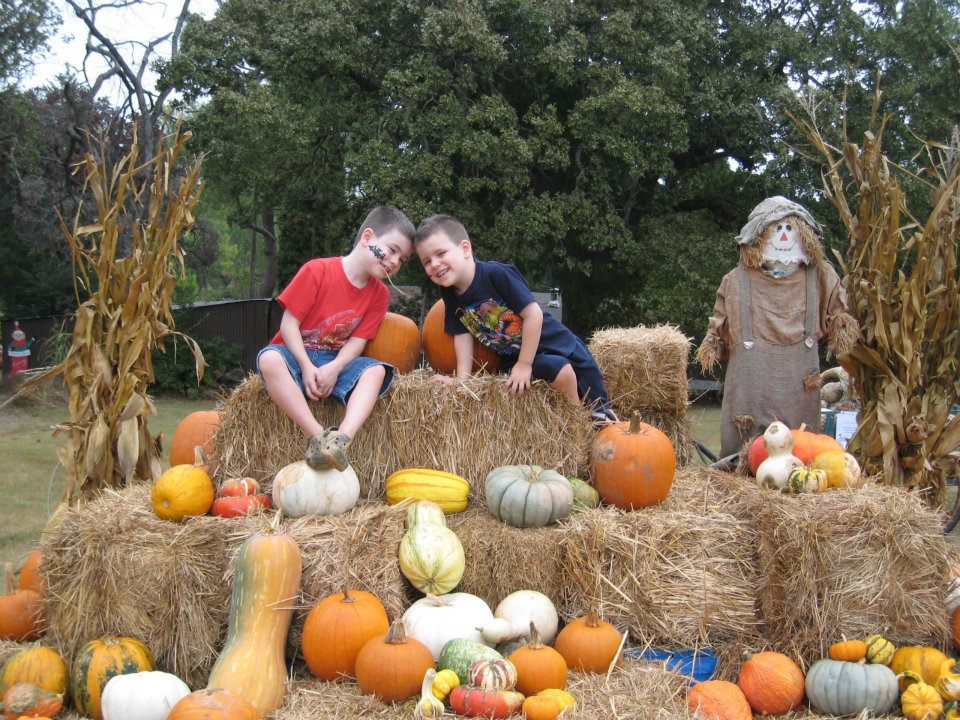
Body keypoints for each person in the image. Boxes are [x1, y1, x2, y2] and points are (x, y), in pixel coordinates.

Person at [696, 196, 859, 459]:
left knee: (800, 446)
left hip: (799, 387)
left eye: (790, 229)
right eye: (777, 230)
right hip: (751, 389)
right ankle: (741, 461)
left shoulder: (820, 276)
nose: (784, 237)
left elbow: (838, 312)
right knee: (745, 453)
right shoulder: (735, 281)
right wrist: (713, 342)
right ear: (758, 236)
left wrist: (842, 327)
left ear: (805, 235)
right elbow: (719, 324)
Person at [414, 213, 616, 422]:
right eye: (427, 261)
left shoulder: (496, 274)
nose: (434, 264)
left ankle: (590, 423)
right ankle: (577, 424)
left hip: (555, 342)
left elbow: (533, 315)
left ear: (465, 249)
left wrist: (525, 365)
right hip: (513, 357)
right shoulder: (449, 293)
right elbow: (461, 332)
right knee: (561, 371)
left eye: (440, 253)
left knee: (598, 407)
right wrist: (463, 381)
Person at [257, 206, 415, 471]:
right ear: (368, 237)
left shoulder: (379, 295)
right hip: (296, 355)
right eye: (392, 250)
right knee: (269, 359)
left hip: (335, 359)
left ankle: (340, 440)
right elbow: (289, 325)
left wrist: (335, 368)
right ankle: (318, 436)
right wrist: (306, 367)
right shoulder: (317, 271)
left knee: (375, 371)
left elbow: (357, 341)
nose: (395, 262)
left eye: (403, 259)